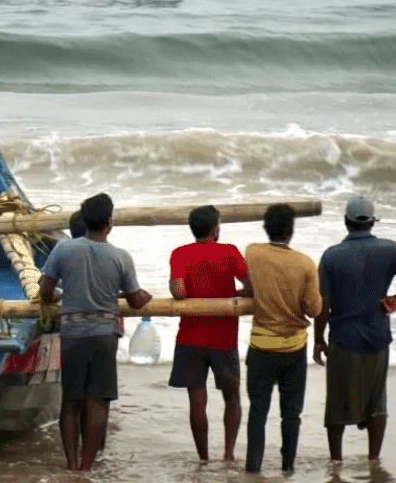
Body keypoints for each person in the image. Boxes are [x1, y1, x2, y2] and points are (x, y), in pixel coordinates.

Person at [313, 196, 396, 462]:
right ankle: (373, 459)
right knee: (377, 402)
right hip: (378, 336)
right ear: (372, 222)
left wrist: (318, 339)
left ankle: (336, 461)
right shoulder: (390, 250)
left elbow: (323, 302)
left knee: (337, 404)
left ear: (346, 222)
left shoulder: (332, 256)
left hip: (343, 338)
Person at [39, 192, 152, 471]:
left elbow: (44, 291)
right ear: (109, 222)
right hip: (104, 334)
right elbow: (135, 300)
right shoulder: (120, 256)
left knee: (71, 401)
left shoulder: (64, 249)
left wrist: (57, 297)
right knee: (98, 402)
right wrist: (147, 296)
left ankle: (71, 464)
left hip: (73, 333)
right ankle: (87, 467)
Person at [167, 205, 252, 462]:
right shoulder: (229, 252)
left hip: (190, 336)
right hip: (224, 337)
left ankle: (203, 457)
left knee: (197, 401)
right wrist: (232, 295)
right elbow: (251, 287)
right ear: (216, 229)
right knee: (232, 397)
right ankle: (228, 454)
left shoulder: (180, 253)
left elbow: (179, 292)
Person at [242, 203, 322, 474]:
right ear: (291, 231)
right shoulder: (305, 263)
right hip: (293, 348)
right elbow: (314, 309)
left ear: (266, 228)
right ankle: (288, 467)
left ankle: (253, 467)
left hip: (261, 345)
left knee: (258, 411)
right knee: (291, 414)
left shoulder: (253, 252)